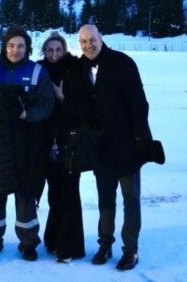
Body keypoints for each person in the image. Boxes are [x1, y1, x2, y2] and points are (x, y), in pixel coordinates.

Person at [66, 24, 151, 271]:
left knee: (130, 198)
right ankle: (105, 244)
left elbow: (139, 104)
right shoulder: (80, 68)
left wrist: (140, 139)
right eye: (83, 42)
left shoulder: (122, 62)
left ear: (101, 38)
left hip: (127, 145)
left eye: (92, 40)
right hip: (100, 146)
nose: (88, 45)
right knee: (105, 199)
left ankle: (131, 249)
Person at [0, 26, 54, 261]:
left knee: (26, 191)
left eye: (20, 46)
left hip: (27, 142)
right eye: (11, 45)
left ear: (27, 48)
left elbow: (47, 104)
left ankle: (29, 242)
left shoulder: (37, 72)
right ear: (4, 46)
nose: (15, 50)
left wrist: (28, 115)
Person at [37, 31, 85, 263]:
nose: (54, 54)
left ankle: (69, 246)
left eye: (58, 49)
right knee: (54, 194)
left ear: (65, 50)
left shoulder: (75, 70)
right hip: (46, 141)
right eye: (50, 50)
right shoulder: (39, 70)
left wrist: (62, 98)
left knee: (70, 193)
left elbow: (84, 110)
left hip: (70, 141)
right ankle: (53, 240)